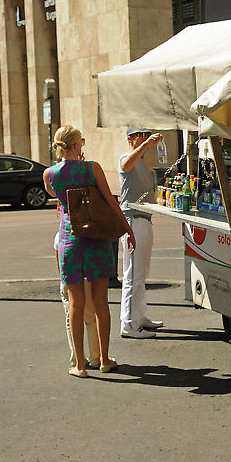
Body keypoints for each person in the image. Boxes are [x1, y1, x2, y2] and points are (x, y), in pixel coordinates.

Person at [44, 125, 135, 378]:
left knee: (75, 303)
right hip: (96, 240)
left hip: (69, 242)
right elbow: (109, 201)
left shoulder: (49, 173)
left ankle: (80, 365)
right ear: (77, 145)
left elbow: (60, 200)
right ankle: (104, 359)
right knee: (100, 302)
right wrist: (128, 229)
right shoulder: (91, 168)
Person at [119, 127, 165, 339]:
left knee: (141, 272)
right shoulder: (127, 157)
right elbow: (125, 164)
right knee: (133, 273)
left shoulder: (143, 162)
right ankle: (128, 322)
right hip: (133, 220)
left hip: (143, 218)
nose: (146, 139)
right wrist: (145, 145)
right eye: (141, 135)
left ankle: (138, 315)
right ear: (131, 139)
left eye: (147, 135)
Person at [55, 230, 100, 369]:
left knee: (71, 320)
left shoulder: (60, 236)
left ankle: (76, 358)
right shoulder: (86, 233)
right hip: (86, 280)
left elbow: (60, 262)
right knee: (91, 319)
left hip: (68, 281)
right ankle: (96, 358)